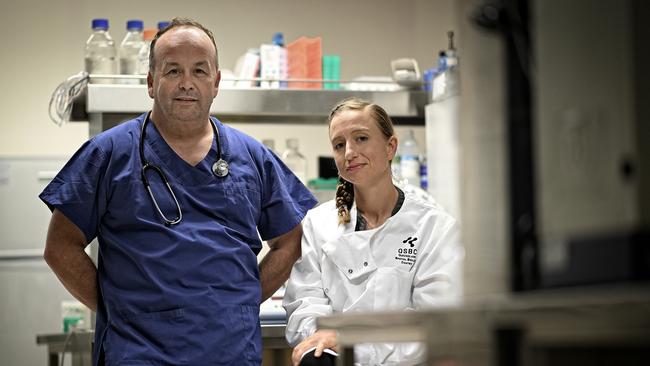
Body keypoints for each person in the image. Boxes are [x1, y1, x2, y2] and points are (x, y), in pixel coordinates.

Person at [40, 18, 317, 366]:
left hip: (229, 351)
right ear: (151, 82)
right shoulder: (107, 154)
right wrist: (117, 306)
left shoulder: (252, 157)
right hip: (138, 351)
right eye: (173, 71)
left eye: (199, 71)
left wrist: (241, 301)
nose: (187, 83)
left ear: (216, 83)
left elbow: (290, 242)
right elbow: (59, 247)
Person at [283, 98, 463, 366]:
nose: (349, 152)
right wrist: (322, 339)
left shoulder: (434, 227)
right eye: (339, 145)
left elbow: (434, 324)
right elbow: (304, 304)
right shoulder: (319, 223)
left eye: (361, 138)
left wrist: (351, 344)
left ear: (391, 147)